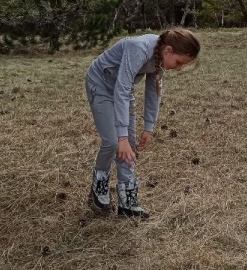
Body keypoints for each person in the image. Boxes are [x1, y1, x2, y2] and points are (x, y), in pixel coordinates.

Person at [85, 28, 200, 218]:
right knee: (114, 142)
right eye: (179, 63)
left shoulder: (159, 56)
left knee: (128, 146)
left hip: (123, 89)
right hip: (101, 85)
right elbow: (121, 89)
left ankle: (127, 202)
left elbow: (153, 91)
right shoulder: (139, 48)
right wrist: (121, 137)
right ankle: (99, 183)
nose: (178, 68)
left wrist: (149, 127)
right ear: (168, 50)